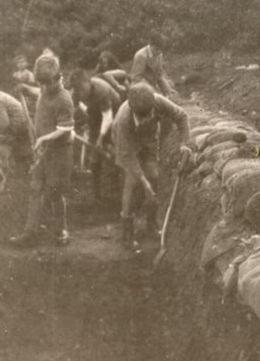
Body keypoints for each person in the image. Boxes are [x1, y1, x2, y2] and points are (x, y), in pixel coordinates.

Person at [112, 83, 192, 249]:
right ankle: (127, 232)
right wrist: (142, 180)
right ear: (133, 110)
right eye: (143, 117)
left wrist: (184, 143)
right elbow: (127, 156)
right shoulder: (123, 120)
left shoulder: (158, 101)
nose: (148, 119)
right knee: (131, 183)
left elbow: (182, 116)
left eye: (149, 115)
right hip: (127, 145)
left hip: (149, 142)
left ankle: (152, 224)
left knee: (154, 178)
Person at [10, 54, 75, 247]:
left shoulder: (64, 99)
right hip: (43, 151)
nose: (44, 88)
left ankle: (61, 230)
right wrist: (26, 89)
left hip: (60, 152)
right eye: (42, 85)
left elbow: (66, 129)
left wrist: (44, 138)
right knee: (35, 188)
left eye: (47, 84)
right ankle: (29, 232)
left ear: (57, 77)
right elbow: (39, 93)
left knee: (54, 192)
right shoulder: (46, 90)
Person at [70, 69, 121, 202]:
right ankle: (97, 191)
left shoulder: (100, 89)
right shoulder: (75, 93)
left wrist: (101, 137)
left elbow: (107, 117)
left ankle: (117, 181)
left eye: (82, 89)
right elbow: (71, 111)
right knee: (95, 153)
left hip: (114, 112)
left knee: (111, 146)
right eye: (77, 90)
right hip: (95, 114)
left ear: (88, 82)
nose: (80, 93)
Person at [131, 30, 174, 97]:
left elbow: (159, 75)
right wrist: (152, 90)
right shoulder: (141, 55)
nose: (159, 51)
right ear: (151, 45)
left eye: (161, 49)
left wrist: (167, 90)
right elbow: (136, 78)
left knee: (171, 95)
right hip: (140, 87)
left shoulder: (159, 54)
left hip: (152, 86)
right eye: (157, 49)